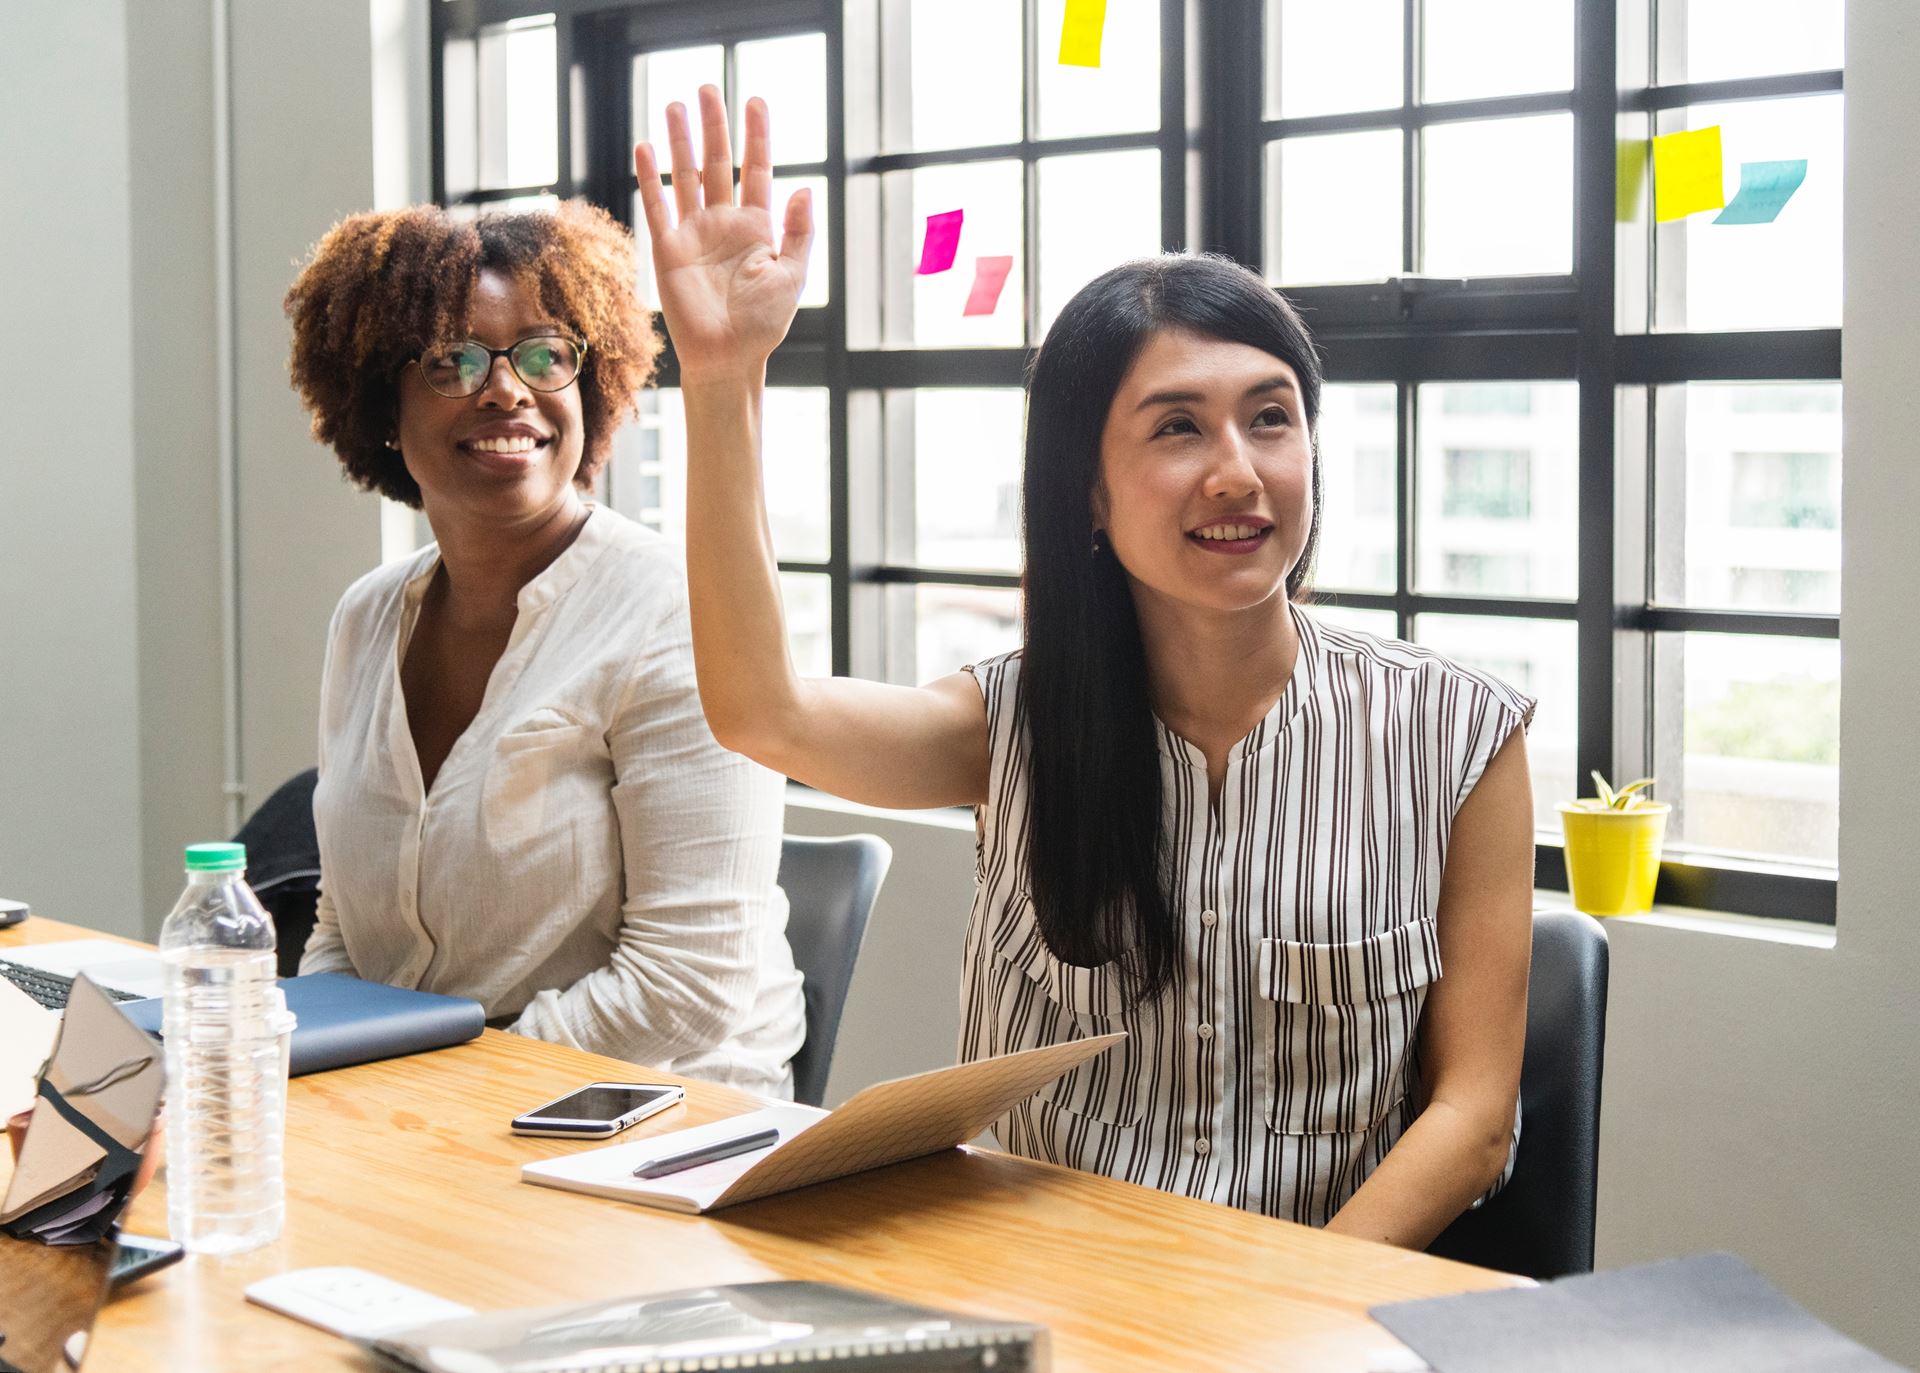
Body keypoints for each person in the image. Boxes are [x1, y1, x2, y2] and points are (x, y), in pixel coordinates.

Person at [635, 88, 1537, 1245]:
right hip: (1060, 1293)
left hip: (1327, 1309)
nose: (1237, 471)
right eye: (1176, 428)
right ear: (1091, 496)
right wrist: (722, 379)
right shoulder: (1010, 724)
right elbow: (763, 710)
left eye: (1271, 418)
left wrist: (1294, 1315)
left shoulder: (1456, 732)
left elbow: (1474, 1117)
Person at [281, 201, 805, 1095]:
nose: (507, 390)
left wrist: (438, 1090)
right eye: (452, 361)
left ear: (589, 387)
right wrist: (321, 1067)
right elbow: (347, 924)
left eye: (545, 354)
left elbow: (686, 989)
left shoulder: (676, 611)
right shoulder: (367, 618)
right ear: (380, 405)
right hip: (429, 1115)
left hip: (656, 1122)